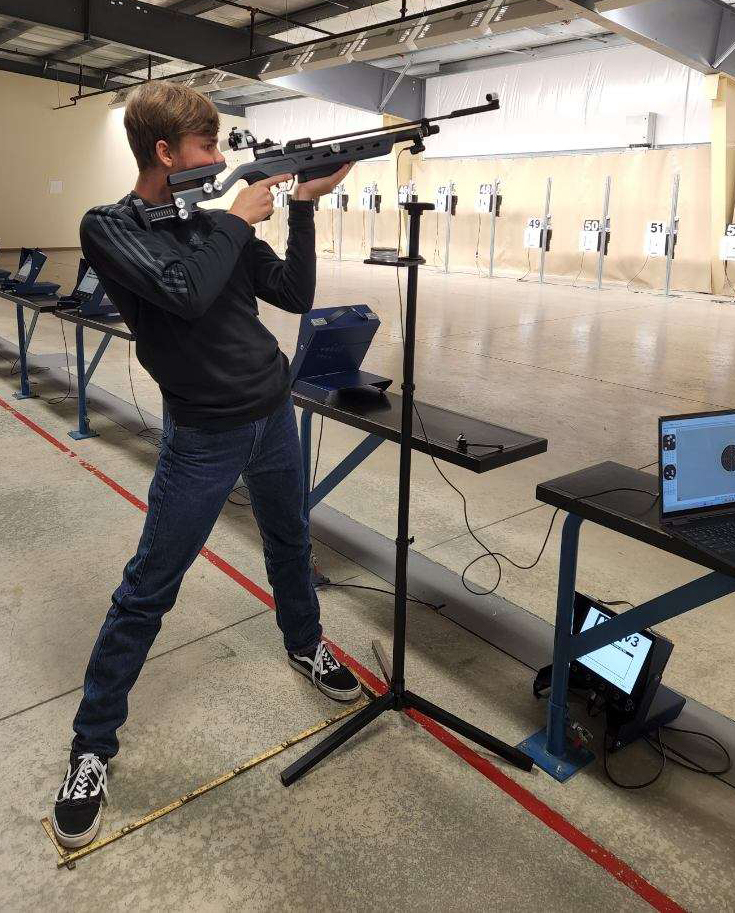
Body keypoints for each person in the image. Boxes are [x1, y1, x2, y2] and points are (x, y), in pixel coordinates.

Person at [52, 81, 359, 850]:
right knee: (149, 586)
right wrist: (232, 214)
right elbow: (183, 294)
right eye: (207, 147)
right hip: (203, 437)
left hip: (271, 413)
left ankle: (304, 640)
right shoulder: (111, 228)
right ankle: (92, 744)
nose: (220, 159)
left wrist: (303, 205)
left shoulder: (207, 220)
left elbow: (292, 292)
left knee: (291, 545)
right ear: (164, 152)